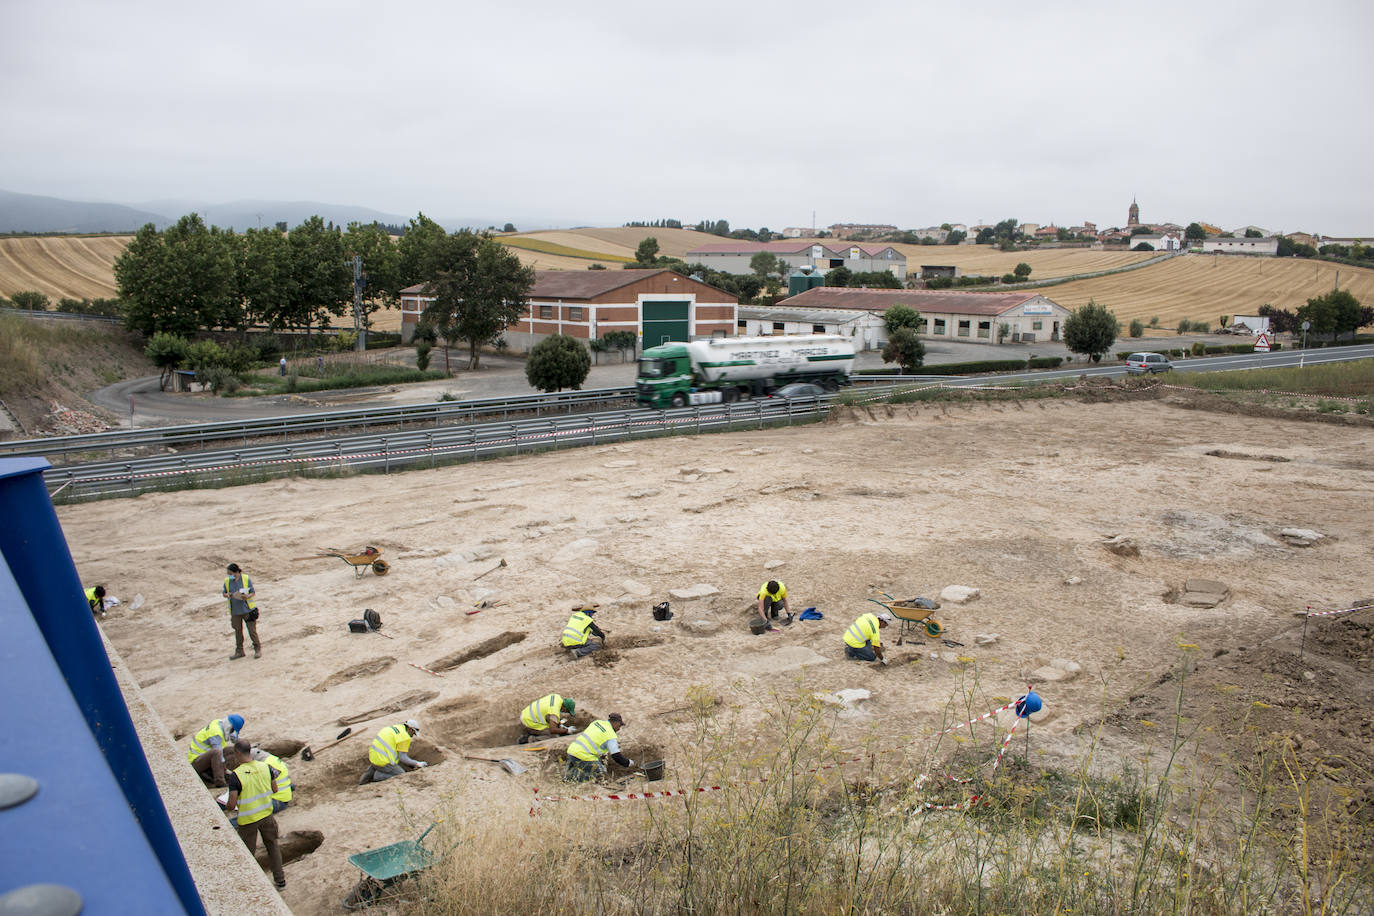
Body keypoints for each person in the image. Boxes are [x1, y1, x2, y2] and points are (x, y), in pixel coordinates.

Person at [223, 738, 286, 890]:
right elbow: (275, 789)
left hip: (248, 820)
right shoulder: (265, 767)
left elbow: (231, 804)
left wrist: (228, 805)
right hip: (266, 814)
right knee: (272, 846)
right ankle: (280, 880)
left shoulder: (236, 775)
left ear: (237, 753)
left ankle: (252, 886)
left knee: (248, 854)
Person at [563, 713, 634, 783]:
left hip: (572, 751)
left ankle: (569, 777)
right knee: (600, 773)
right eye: (619, 726)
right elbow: (616, 756)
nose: (619, 729)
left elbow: (595, 738)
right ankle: (576, 780)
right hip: (583, 756)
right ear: (615, 723)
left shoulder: (597, 722)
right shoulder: (610, 735)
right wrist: (627, 763)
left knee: (583, 765)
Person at [358, 719, 427, 784]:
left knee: (376, 765)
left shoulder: (396, 728)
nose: (412, 736)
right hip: (384, 761)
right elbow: (402, 757)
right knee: (402, 774)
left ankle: (363, 781)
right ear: (409, 729)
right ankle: (378, 777)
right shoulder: (405, 737)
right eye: (413, 733)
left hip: (373, 757)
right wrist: (417, 764)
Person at [188, 713, 245, 787]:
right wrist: (226, 771)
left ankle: (217, 774)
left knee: (233, 750)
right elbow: (220, 756)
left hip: (205, 758)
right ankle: (220, 781)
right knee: (217, 752)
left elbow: (231, 736)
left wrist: (239, 741)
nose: (232, 732)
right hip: (196, 762)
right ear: (229, 727)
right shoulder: (216, 732)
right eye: (232, 730)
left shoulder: (220, 723)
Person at [223, 563, 261, 660]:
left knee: (252, 631)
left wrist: (247, 596)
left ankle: (257, 649)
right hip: (235, 611)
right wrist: (226, 595)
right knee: (238, 632)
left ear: (236, 572)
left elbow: (252, 592)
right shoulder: (227, 581)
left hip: (247, 610)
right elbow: (224, 592)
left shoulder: (245, 578)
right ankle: (239, 651)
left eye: (230, 573)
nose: (229, 575)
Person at [253, 746, 293, 813]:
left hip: (277, 800)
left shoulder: (264, 766)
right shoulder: (272, 758)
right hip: (285, 795)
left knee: (250, 813)